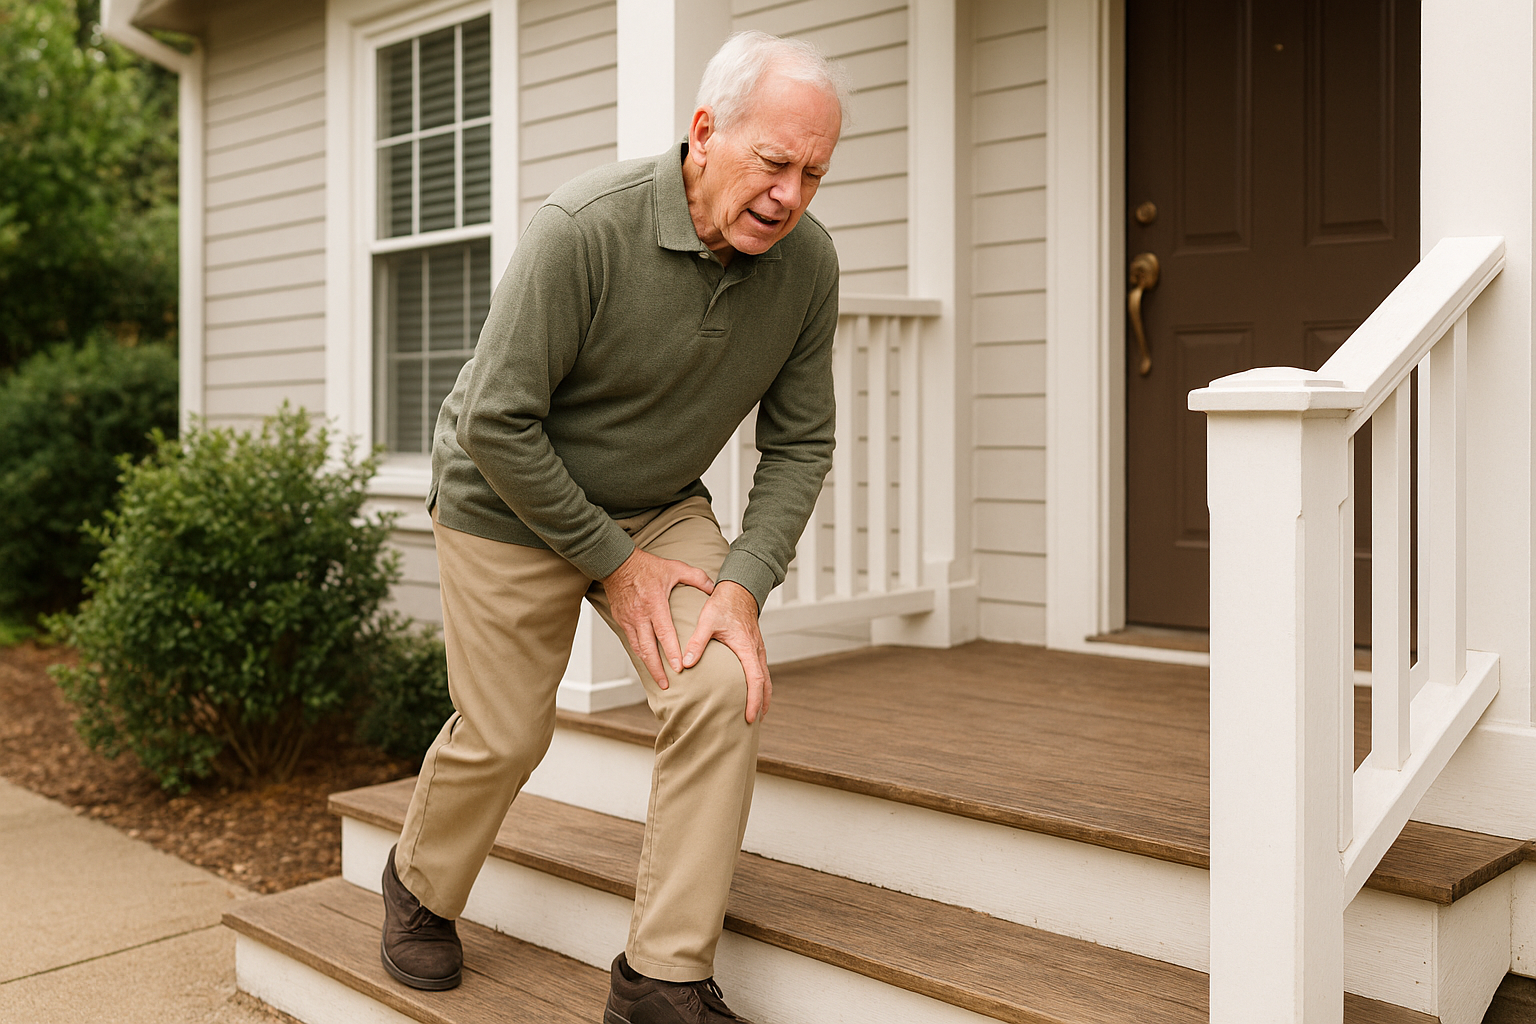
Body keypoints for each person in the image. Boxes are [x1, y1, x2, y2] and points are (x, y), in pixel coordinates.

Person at [377, 30, 849, 1024]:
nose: (789, 196)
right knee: (507, 734)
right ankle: (419, 883)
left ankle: (661, 978)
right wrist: (613, 563)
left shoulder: (808, 267)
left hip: (656, 499)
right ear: (705, 132)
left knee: (722, 685)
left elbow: (802, 442)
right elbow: (494, 421)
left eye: (813, 173)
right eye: (774, 163)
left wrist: (742, 585)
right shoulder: (583, 228)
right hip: (506, 497)